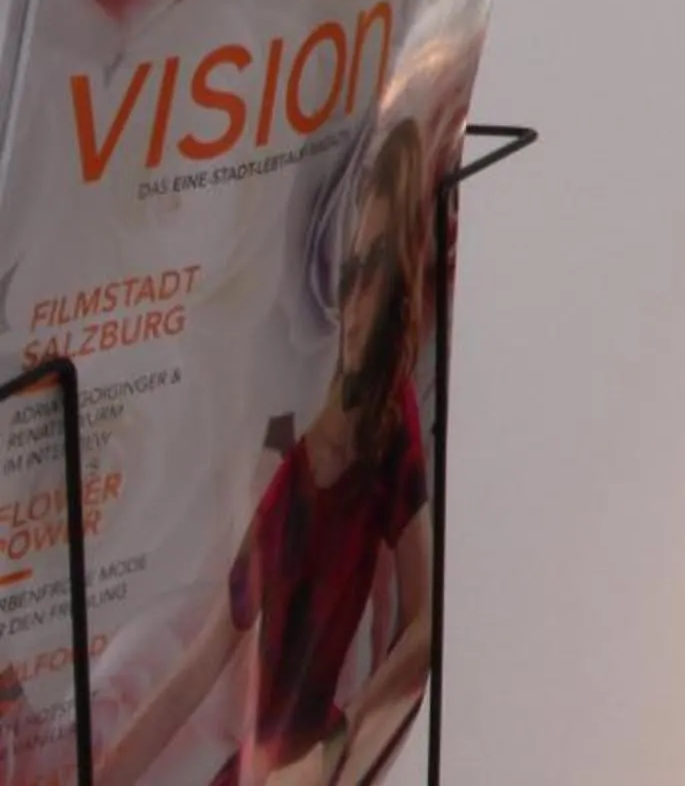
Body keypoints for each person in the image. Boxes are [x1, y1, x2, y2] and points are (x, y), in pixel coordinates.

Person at [97, 122, 437, 786]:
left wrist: (338, 746)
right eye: (351, 272)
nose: (356, 304)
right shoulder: (289, 455)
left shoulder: (387, 419)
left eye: (376, 271)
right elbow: (199, 668)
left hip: (322, 761)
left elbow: (426, 621)